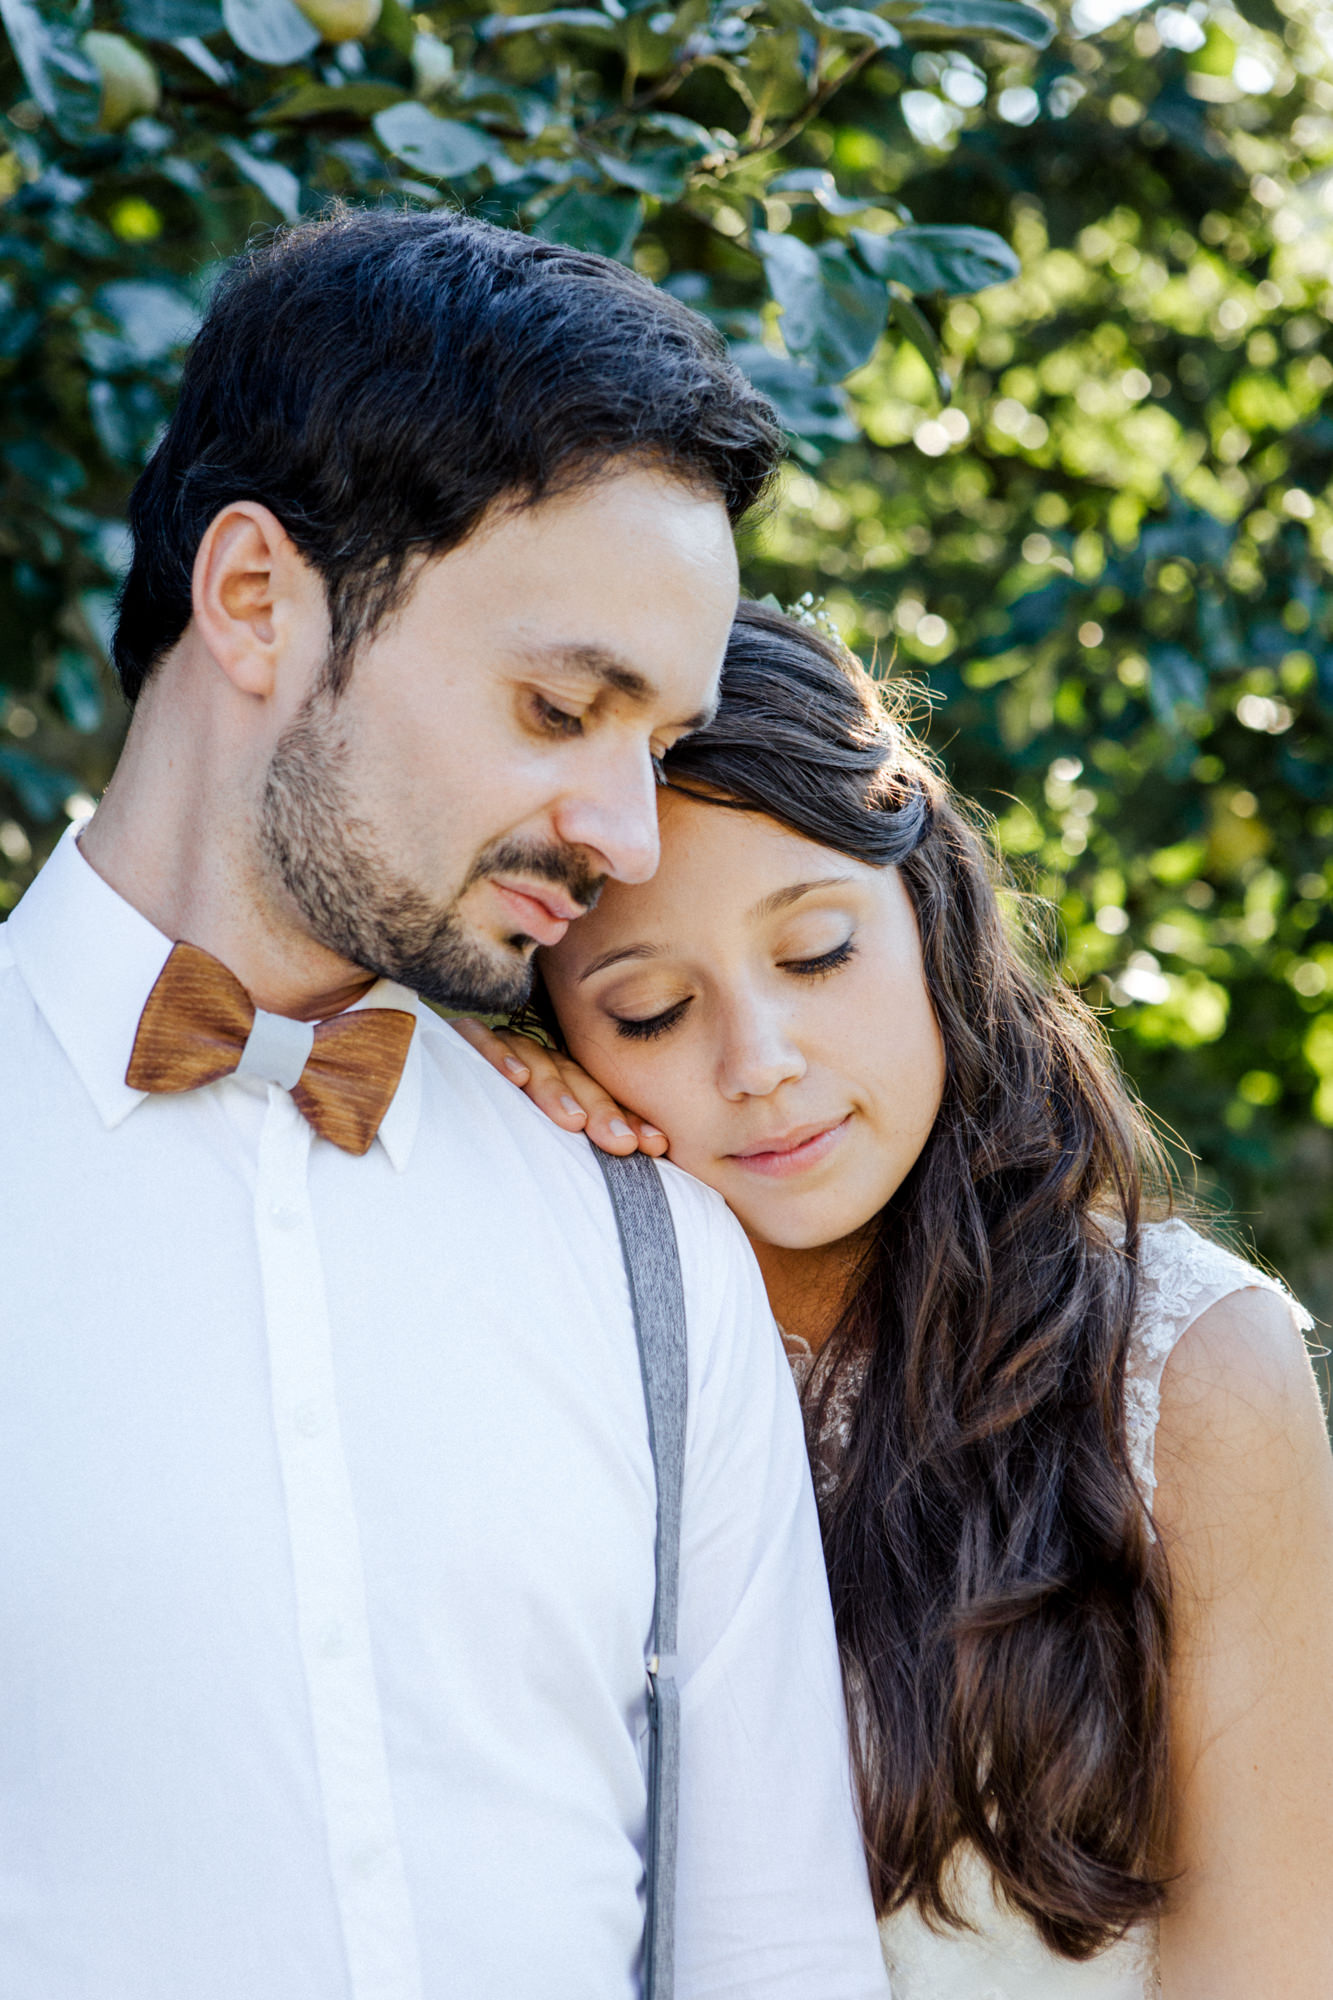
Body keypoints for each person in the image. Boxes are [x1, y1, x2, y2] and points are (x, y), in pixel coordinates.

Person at [0, 215, 893, 2000]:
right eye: (561, 706)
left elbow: (774, 1956)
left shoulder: (649, 1249)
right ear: (255, 600)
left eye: (652, 744)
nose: (624, 839)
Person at [458, 599, 1333, 1999]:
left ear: (928, 914)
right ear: (550, 1033)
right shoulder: (538, 1340)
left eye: (814, 954)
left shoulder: (1178, 1373)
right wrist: (444, 1071)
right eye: (646, 1011)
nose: (759, 1060)